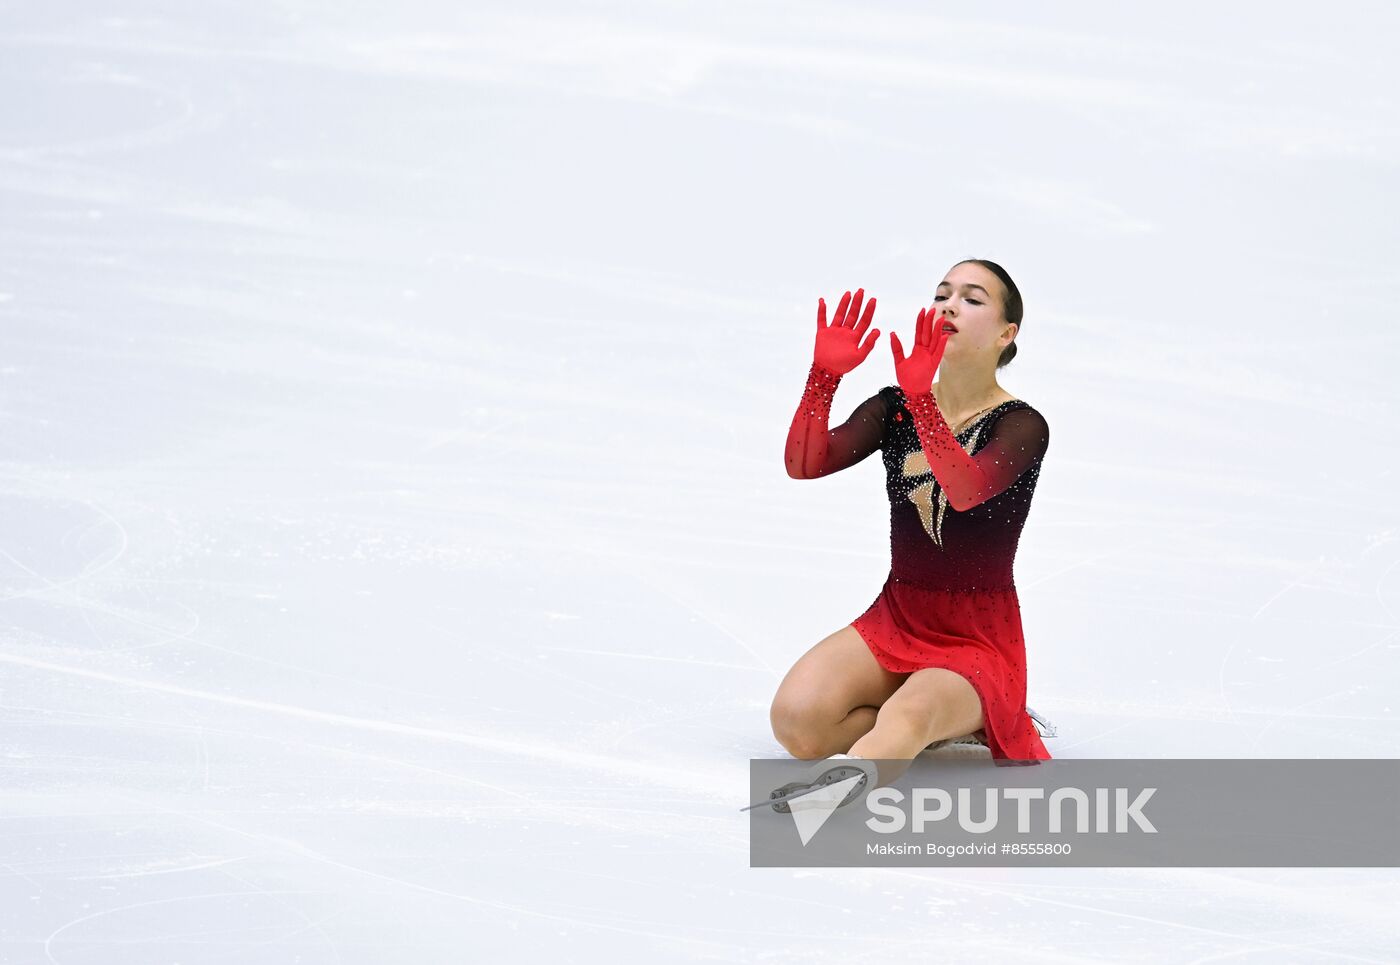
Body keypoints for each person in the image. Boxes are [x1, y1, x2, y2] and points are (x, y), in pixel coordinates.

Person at [771, 259, 1052, 796]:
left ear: (1005, 333)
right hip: (899, 615)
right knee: (798, 722)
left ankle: (836, 789)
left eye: (972, 299)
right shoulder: (895, 406)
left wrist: (924, 399)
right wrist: (824, 376)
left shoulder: (1023, 425)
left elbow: (964, 492)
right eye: (942, 293)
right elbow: (805, 464)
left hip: (976, 638)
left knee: (904, 718)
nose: (948, 304)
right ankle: (931, 721)